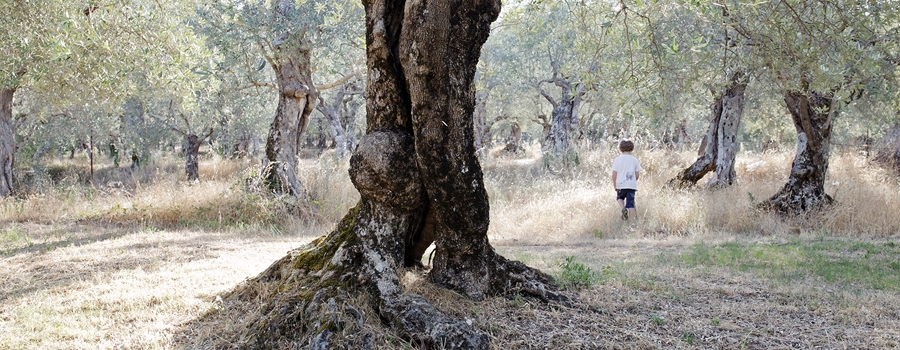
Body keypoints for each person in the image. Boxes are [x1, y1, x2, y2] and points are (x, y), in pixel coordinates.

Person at [611, 140, 642, 220]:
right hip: (631, 185)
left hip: (620, 184)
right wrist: (633, 181)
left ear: (620, 149)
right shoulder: (634, 160)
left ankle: (623, 208)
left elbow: (614, 174)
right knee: (631, 203)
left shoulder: (617, 160)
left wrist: (615, 184)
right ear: (632, 148)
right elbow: (637, 174)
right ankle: (631, 221)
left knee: (619, 198)